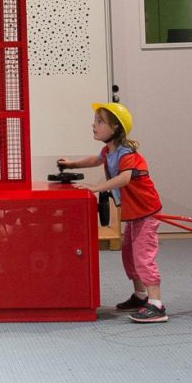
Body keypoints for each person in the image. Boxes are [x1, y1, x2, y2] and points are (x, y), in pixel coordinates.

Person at [58, 102, 167, 323]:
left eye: (100, 122)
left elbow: (125, 178)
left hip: (145, 212)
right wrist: (72, 164)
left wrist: (96, 187)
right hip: (134, 213)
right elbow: (95, 160)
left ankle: (157, 304)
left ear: (115, 128)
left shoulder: (127, 154)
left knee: (143, 257)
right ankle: (140, 296)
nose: (94, 125)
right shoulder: (108, 151)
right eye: (95, 121)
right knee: (129, 255)